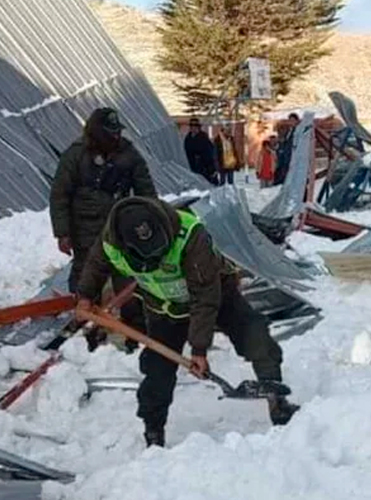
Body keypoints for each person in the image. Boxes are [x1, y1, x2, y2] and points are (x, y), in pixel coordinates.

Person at [75, 196, 298, 447]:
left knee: (255, 335)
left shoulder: (190, 235)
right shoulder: (111, 241)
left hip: (216, 294)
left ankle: (277, 400)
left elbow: (204, 296)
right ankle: (153, 433)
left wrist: (199, 349)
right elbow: (95, 266)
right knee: (157, 370)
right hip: (164, 308)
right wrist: (85, 297)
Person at [49, 107, 156, 351]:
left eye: (118, 132)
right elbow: (60, 195)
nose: (116, 137)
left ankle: (135, 332)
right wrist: (62, 232)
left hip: (119, 229)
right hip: (84, 229)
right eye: (111, 133)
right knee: (86, 279)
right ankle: (88, 332)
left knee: (127, 278)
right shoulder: (75, 156)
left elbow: (146, 192)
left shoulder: (129, 155)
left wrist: (149, 223)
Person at [184, 117, 217, 184]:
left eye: (195, 126)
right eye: (191, 126)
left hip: (204, 166)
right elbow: (186, 151)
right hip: (192, 165)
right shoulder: (188, 138)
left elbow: (209, 153)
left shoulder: (203, 137)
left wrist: (211, 168)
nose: (193, 128)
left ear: (198, 127)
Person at [273, 113, 300, 185]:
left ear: (297, 121)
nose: (291, 122)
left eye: (293, 120)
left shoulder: (298, 131)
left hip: (291, 156)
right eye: (290, 120)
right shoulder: (289, 131)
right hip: (284, 156)